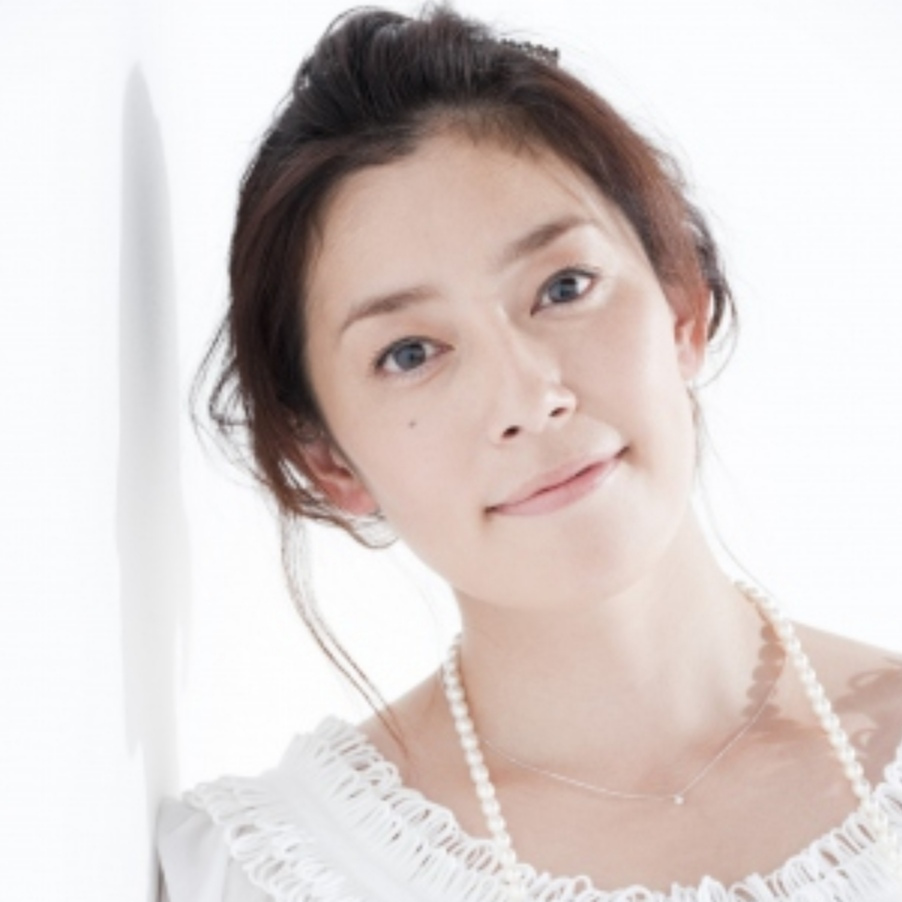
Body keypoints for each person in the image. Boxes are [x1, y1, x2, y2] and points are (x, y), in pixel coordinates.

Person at [156, 6, 902, 900]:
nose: (528, 398)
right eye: (411, 353)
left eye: (564, 286)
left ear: (683, 306)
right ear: (331, 462)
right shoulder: (267, 873)